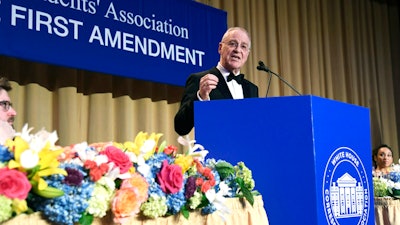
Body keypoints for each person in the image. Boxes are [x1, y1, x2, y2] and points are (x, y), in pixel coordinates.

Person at [174, 27, 259, 135]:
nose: (237, 50)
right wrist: (200, 96)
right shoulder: (199, 80)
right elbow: (181, 127)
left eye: (243, 46)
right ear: (220, 48)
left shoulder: (252, 89)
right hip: (214, 151)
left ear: (247, 54)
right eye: (232, 44)